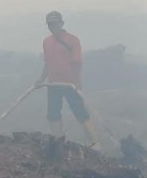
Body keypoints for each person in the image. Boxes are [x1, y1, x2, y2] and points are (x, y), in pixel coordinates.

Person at [35, 11, 99, 149]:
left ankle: (94, 143)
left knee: (80, 112)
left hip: (70, 85)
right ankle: (57, 141)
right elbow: (48, 63)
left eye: (55, 24)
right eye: (50, 24)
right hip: (53, 84)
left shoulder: (72, 40)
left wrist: (76, 83)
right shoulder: (47, 42)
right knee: (53, 113)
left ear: (61, 24)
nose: (52, 27)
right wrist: (41, 80)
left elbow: (77, 62)